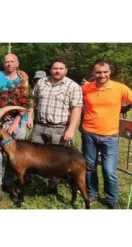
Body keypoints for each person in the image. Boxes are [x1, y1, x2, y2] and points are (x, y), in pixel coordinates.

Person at [81, 59, 132, 209]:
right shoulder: (85, 88)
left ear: (110, 72)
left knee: (109, 170)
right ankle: (92, 193)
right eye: (98, 72)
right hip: (89, 133)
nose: (101, 75)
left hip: (110, 136)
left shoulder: (120, 88)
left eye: (105, 72)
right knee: (90, 167)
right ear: (93, 73)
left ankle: (112, 199)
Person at [27, 58, 83, 194]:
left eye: (60, 68)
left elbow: (76, 108)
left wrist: (71, 129)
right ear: (51, 70)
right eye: (54, 68)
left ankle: (52, 185)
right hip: (39, 126)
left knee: (56, 159)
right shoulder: (41, 82)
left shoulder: (73, 86)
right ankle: (29, 182)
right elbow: (32, 100)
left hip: (60, 128)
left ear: (66, 70)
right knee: (33, 154)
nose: (57, 71)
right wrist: (29, 116)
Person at [0, 53, 30, 202]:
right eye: (6, 62)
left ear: (17, 64)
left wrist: (16, 121)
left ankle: (8, 182)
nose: (9, 64)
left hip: (19, 121)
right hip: (0, 120)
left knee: (15, 155)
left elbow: (26, 102)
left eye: (12, 61)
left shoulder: (23, 78)